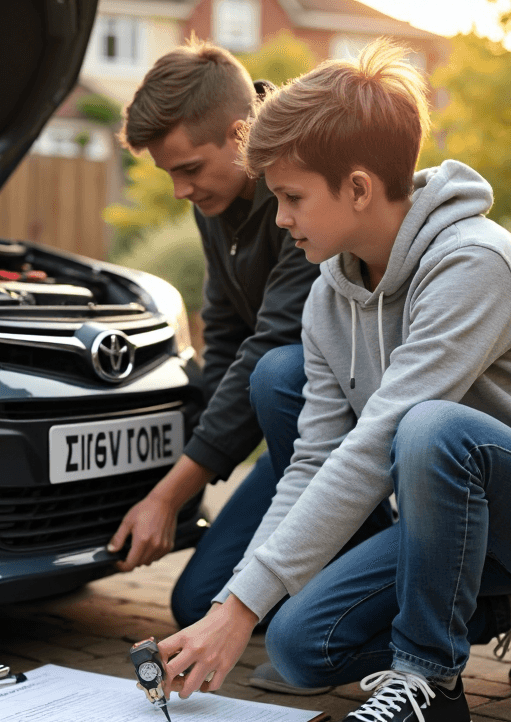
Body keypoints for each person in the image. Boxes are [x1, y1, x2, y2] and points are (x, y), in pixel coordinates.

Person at [153, 39, 511, 722]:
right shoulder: (329, 296)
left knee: (429, 428)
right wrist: (232, 609)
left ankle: (431, 686)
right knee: (298, 644)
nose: (281, 218)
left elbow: (378, 441)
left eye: (292, 197)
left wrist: (236, 612)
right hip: (469, 523)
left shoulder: (473, 263)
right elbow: (314, 461)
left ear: (358, 188)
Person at [105, 37, 329, 634]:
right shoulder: (220, 199)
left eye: (189, 169)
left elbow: (269, 347)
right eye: (169, 174)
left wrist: (169, 496)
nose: (180, 190)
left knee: (277, 371)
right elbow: (227, 336)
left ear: (240, 134)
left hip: (348, 428)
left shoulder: (302, 189)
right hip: (295, 440)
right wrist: (188, 462)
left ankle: (388, 556)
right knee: (196, 602)